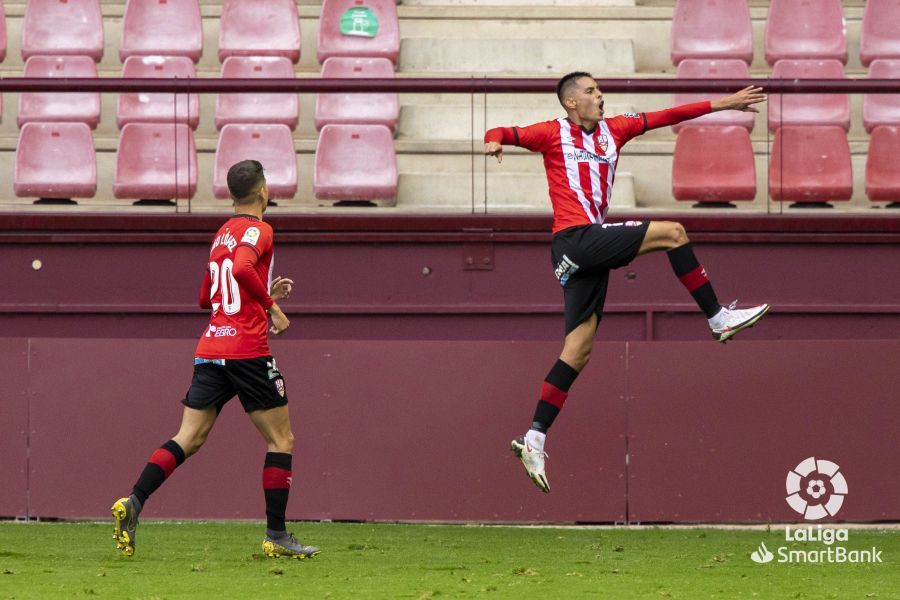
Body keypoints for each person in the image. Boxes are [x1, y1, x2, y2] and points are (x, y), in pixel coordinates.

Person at [484, 72, 771, 493]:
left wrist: (723, 104)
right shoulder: (551, 133)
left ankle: (534, 438)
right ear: (570, 102)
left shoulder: (615, 130)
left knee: (578, 352)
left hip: (583, 252)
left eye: (600, 90)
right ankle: (717, 317)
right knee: (673, 232)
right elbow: (502, 130)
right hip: (575, 240)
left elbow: (668, 114)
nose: (600, 96)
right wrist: (493, 141)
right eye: (591, 91)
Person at [111, 160, 319, 559]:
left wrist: (260, 292)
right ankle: (276, 534)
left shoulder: (222, 233)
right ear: (263, 191)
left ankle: (133, 502)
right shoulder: (261, 229)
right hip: (247, 350)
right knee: (281, 439)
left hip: (211, 348)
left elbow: (207, 298)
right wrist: (272, 305)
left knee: (187, 438)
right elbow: (242, 267)